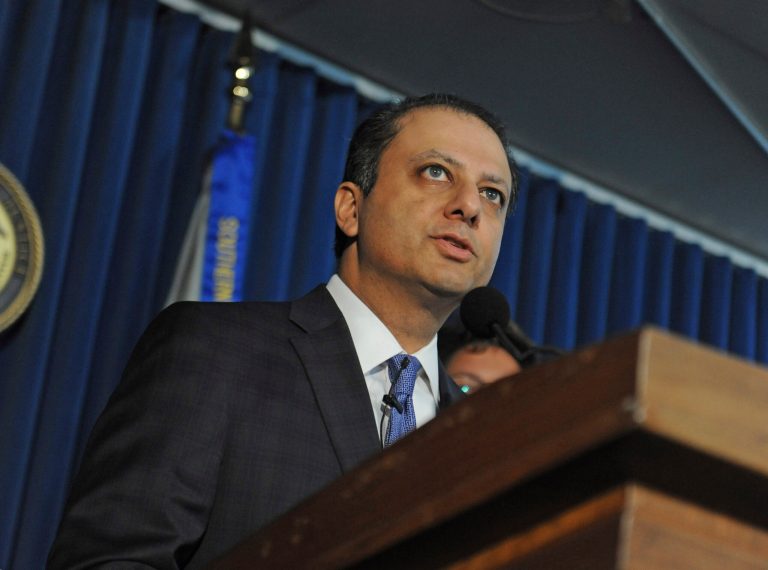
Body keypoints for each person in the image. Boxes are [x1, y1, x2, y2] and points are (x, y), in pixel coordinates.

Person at [48, 93, 519, 569]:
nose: (469, 207)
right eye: (436, 172)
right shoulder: (215, 350)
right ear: (350, 209)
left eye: (492, 194)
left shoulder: (480, 441)